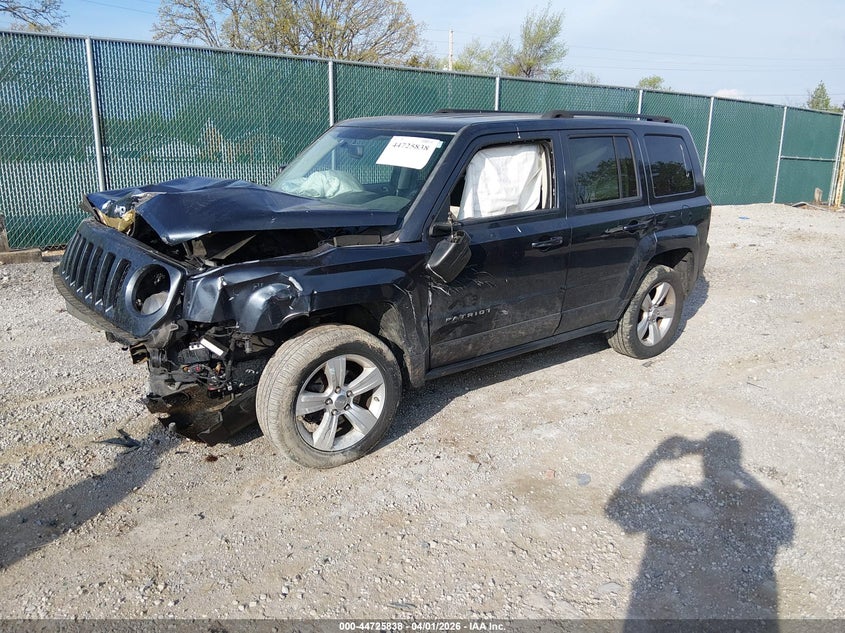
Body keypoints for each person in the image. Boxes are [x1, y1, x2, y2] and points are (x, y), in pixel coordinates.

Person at [605, 432, 794, 630]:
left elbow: (616, 509)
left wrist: (655, 457)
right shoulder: (773, 507)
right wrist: (738, 472)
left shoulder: (673, 493)